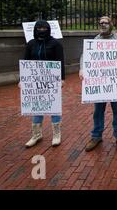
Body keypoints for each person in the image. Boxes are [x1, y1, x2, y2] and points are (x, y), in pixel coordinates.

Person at [81, 16, 117, 152]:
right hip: (99, 84)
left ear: (111, 24)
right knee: (98, 111)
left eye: (105, 22)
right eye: (101, 23)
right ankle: (96, 136)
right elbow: (84, 56)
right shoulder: (95, 41)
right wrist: (82, 68)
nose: (103, 24)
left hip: (116, 83)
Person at [23, 20, 65, 148]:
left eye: (44, 28)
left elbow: (60, 61)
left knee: (54, 107)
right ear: (35, 29)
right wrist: (22, 80)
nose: (42, 30)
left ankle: (56, 134)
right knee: (37, 107)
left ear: (48, 29)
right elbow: (26, 62)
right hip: (35, 82)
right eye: (39, 28)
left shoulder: (56, 44)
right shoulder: (30, 44)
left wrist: (62, 78)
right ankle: (37, 134)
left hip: (52, 81)